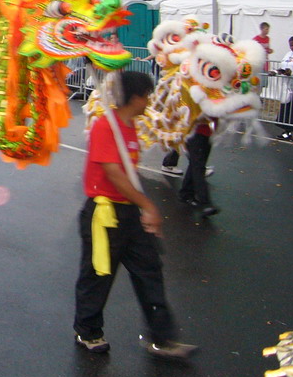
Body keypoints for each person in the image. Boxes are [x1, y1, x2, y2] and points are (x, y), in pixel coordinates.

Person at [74, 70, 196, 359]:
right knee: (98, 275)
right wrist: (150, 205)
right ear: (135, 97)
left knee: (149, 271)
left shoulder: (129, 129)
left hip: (129, 214)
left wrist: (141, 208)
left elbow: (128, 175)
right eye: (147, 95)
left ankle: (162, 337)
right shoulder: (106, 126)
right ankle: (88, 331)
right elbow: (114, 173)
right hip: (104, 214)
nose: (149, 101)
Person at [178, 120, 219, 217]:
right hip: (194, 134)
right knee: (198, 168)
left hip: (205, 134)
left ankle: (185, 193)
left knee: (195, 165)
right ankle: (205, 203)